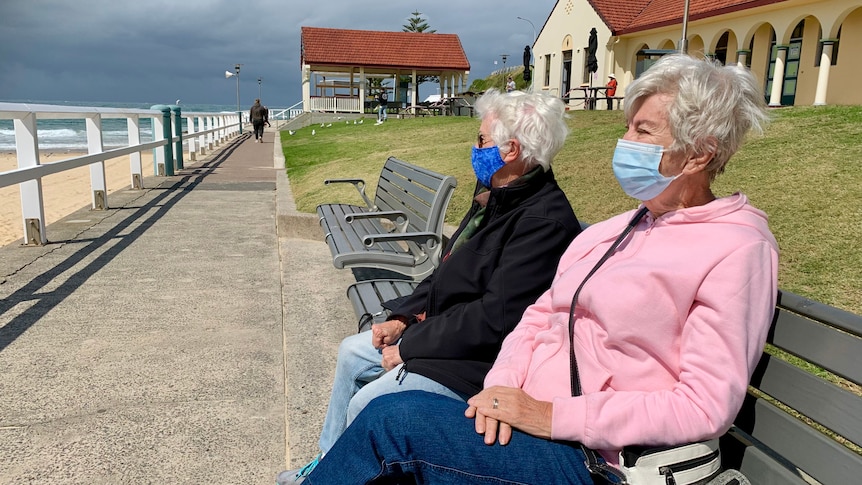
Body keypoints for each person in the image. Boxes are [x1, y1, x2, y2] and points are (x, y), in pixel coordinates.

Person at [303, 54, 779, 484]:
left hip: (596, 458)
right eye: (628, 127)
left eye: (644, 131)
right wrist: (503, 386)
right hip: (520, 416)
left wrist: (550, 416)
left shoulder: (737, 248)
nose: (624, 142)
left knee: (393, 421)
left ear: (700, 153)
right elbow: (538, 316)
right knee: (391, 418)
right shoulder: (615, 230)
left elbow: (704, 406)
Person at [276, 88, 583, 483]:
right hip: (443, 335)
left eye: (482, 140)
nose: (475, 147)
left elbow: (493, 321)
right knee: (353, 352)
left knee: (372, 403)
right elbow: (446, 272)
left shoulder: (542, 222)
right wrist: (402, 318)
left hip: (475, 362)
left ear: (512, 150)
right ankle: (327, 465)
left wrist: (408, 348)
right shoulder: (497, 196)